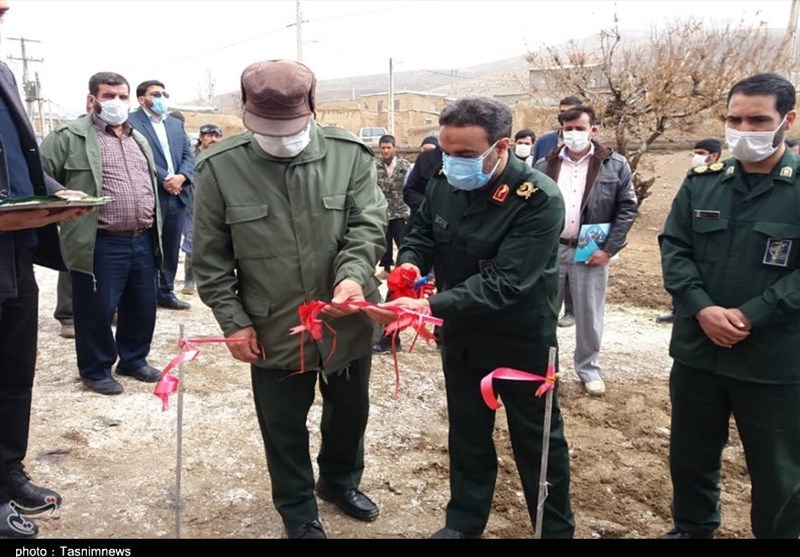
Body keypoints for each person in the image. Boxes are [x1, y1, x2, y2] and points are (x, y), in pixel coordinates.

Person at [192, 59, 387, 539]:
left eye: (291, 127)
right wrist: (233, 321)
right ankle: (297, 508)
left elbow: (367, 226)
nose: (280, 138)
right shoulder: (220, 168)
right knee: (282, 425)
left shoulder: (349, 155)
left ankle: (339, 482)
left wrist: (352, 277)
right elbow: (210, 258)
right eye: (267, 128)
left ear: (312, 107)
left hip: (346, 317)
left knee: (350, 413)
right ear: (245, 111)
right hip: (273, 324)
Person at [374, 96, 574, 539]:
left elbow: (506, 282)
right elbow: (423, 231)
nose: (452, 163)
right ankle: (463, 523)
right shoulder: (444, 182)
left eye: (465, 153)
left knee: (538, 443)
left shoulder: (538, 198)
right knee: (467, 434)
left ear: (501, 147)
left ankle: (553, 529)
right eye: (446, 152)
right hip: (462, 335)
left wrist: (429, 306)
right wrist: (409, 263)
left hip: (520, 339)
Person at [658, 72, 800, 540]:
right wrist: (702, 309)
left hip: (772, 360)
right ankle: (692, 528)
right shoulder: (703, 182)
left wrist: (750, 314)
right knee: (690, 454)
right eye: (734, 119)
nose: (743, 130)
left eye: (757, 120)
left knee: (777, 469)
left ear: (787, 121)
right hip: (699, 351)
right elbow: (674, 247)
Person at [0, 0, 92, 537]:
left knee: (14, 373)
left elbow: (17, 161)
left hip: (14, 252)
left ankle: (8, 470)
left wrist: (55, 192)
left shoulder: (3, 73)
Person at [41, 72, 164, 396]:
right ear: (91, 100)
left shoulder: (138, 139)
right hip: (100, 240)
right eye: (109, 96)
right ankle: (95, 370)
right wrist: (59, 192)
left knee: (142, 305)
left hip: (142, 237)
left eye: (122, 96)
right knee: (96, 310)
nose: (117, 102)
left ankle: (134, 359)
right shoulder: (69, 137)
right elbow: (37, 172)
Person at [535, 105, 638, 397]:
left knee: (589, 315)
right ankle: (544, 368)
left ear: (593, 130)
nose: (573, 134)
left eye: (579, 128)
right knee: (542, 312)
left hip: (592, 248)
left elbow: (627, 208)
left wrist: (609, 249)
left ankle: (589, 369)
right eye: (567, 128)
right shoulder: (545, 164)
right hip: (551, 249)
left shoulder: (614, 164)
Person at [128, 80, 195, 310]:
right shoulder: (130, 122)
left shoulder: (175, 125)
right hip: (150, 193)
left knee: (171, 244)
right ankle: (144, 293)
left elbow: (188, 155)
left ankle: (165, 291)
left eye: (164, 94)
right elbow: (137, 155)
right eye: (156, 94)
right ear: (141, 99)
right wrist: (166, 178)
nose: (161, 98)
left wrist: (182, 177)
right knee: (148, 246)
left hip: (177, 194)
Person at [656, 138, 722, 324]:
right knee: (681, 267)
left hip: (708, 234)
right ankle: (678, 309)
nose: (696, 157)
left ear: (714, 156)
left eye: (700, 153)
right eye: (695, 153)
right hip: (688, 229)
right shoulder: (694, 176)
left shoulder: (720, 179)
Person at [180, 123, 223, 296]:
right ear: (201, 137)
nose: (213, 139)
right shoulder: (191, 156)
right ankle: (189, 280)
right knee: (192, 241)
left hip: (214, 207)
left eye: (216, 136)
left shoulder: (221, 156)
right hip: (191, 206)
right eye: (209, 136)